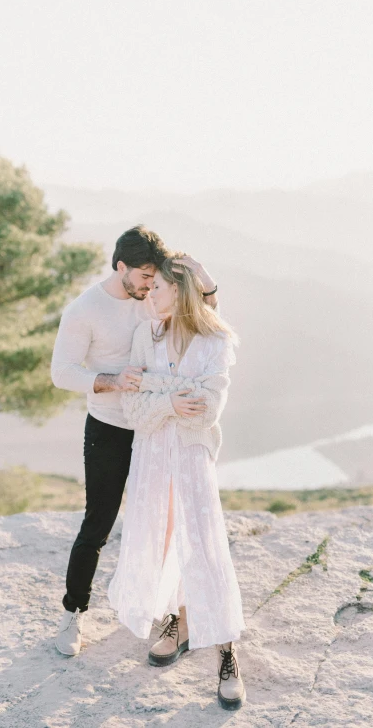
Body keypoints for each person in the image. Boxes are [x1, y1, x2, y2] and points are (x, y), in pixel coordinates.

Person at [50, 225, 219, 659]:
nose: (151, 285)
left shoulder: (155, 298)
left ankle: (172, 616)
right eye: (144, 276)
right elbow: (62, 372)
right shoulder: (85, 309)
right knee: (98, 522)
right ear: (120, 267)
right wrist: (109, 380)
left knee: (169, 523)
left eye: (155, 277)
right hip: (109, 428)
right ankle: (74, 613)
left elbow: (205, 316)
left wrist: (204, 278)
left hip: (159, 429)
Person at [107, 255, 246, 711]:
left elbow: (207, 408)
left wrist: (157, 390)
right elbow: (134, 411)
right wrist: (170, 397)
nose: (149, 296)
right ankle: (180, 623)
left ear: (179, 292)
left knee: (203, 546)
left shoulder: (215, 340)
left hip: (190, 458)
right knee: (162, 540)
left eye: (158, 290)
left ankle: (227, 652)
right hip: (151, 459)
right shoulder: (144, 337)